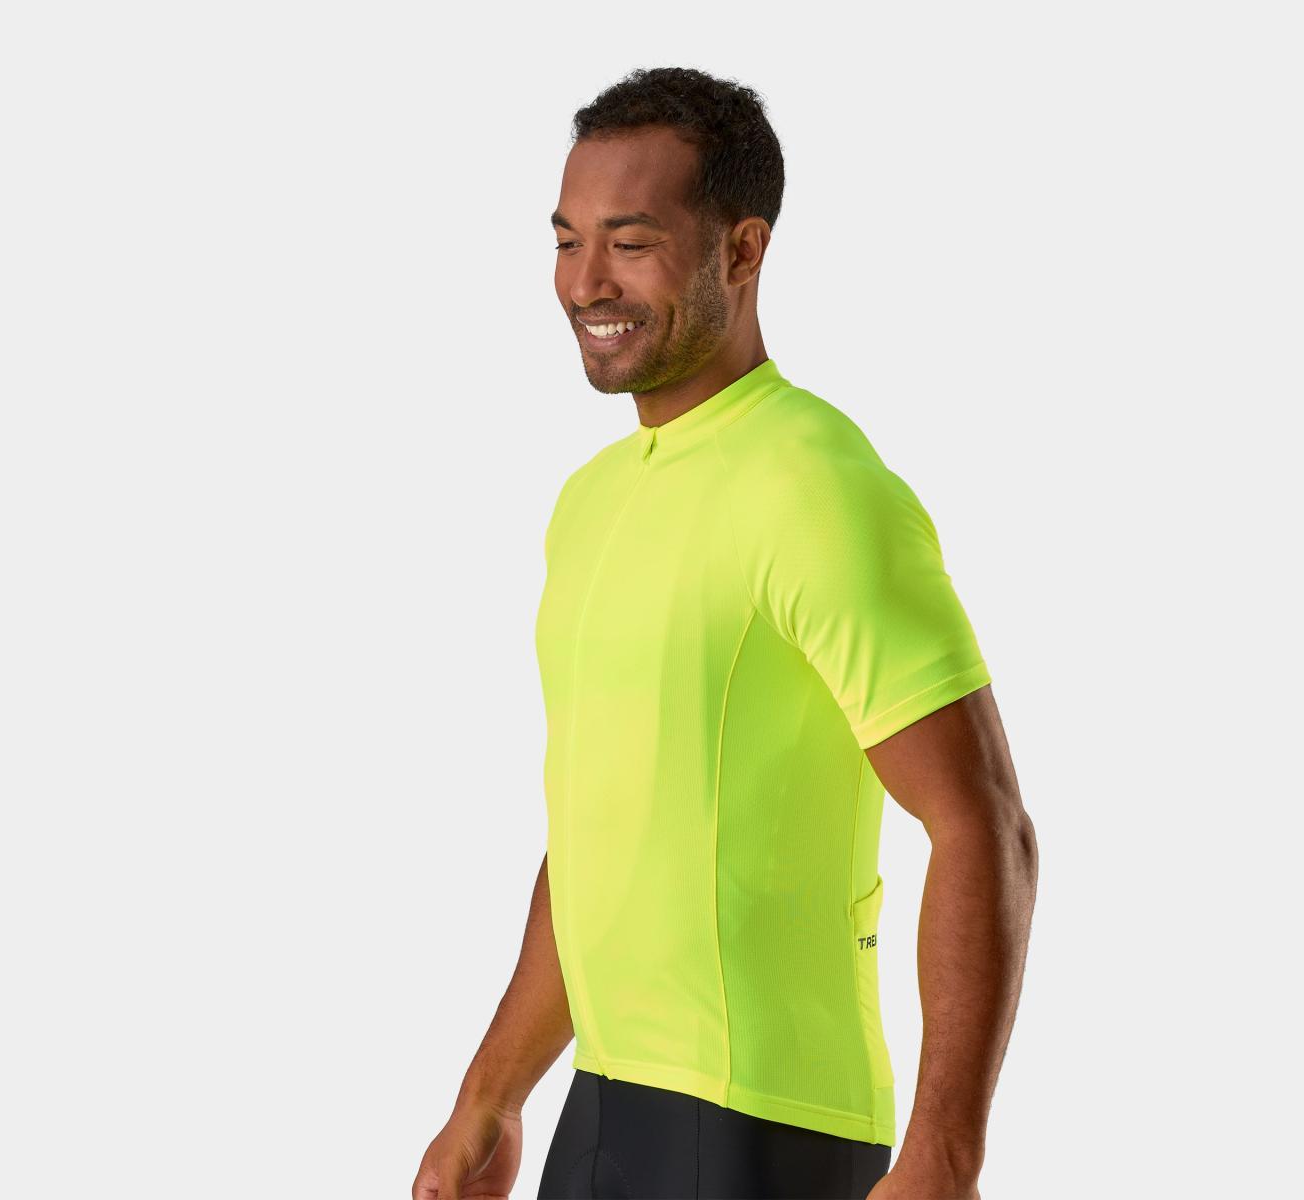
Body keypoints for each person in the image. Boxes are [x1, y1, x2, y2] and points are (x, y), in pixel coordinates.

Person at [413, 66, 1038, 1200]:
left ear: (742, 252)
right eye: (567, 241)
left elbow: (980, 822)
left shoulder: (817, 486)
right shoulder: (592, 502)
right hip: (604, 1107)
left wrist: (944, 1157)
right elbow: (602, 840)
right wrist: (489, 1096)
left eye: (630, 243)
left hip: (765, 1125)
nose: (585, 282)